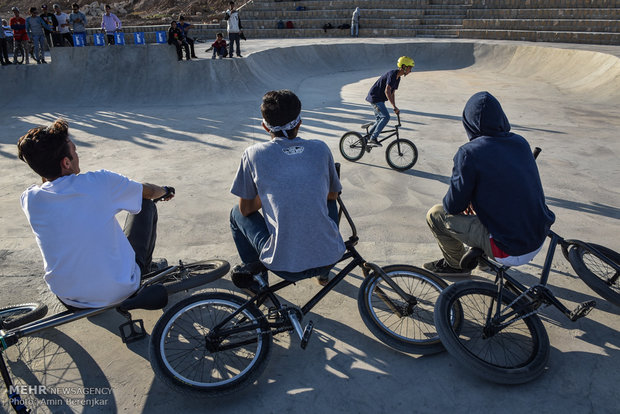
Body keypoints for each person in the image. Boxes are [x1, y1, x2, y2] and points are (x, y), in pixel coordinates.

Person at [17, 119, 175, 309]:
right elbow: (148, 191)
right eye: (74, 150)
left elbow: (49, 182)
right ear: (66, 162)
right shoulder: (99, 182)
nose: (77, 154)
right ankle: (145, 270)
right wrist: (165, 190)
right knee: (144, 203)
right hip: (122, 290)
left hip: (70, 299)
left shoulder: (30, 199)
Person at [424, 91, 556, 276]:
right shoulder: (520, 142)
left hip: (510, 248)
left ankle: (455, 265)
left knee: (435, 215)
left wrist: (469, 199)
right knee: (480, 208)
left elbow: (453, 205)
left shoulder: (469, 153)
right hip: (538, 235)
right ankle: (483, 261)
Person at [229, 90, 345, 291]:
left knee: (235, 214)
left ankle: (258, 284)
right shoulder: (320, 148)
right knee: (327, 199)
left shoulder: (253, 154)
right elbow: (332, 195)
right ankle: (323, 274)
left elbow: (246, 209)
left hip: (285, 266)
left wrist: (269, 193)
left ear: (265, 126)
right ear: (299, 122)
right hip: (330, 256)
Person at [365, 56, 414, 147]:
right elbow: (387, 91)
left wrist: (395, 106)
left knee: (380, 119)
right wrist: (393, 106)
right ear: (403, 67)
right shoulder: (392, 74)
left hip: (379, 99)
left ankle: (367, 138)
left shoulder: (398, 78)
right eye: (409, 68)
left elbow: (392, 93)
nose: (410, 71)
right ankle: (373, 138)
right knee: (386, 117)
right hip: (375, 98)